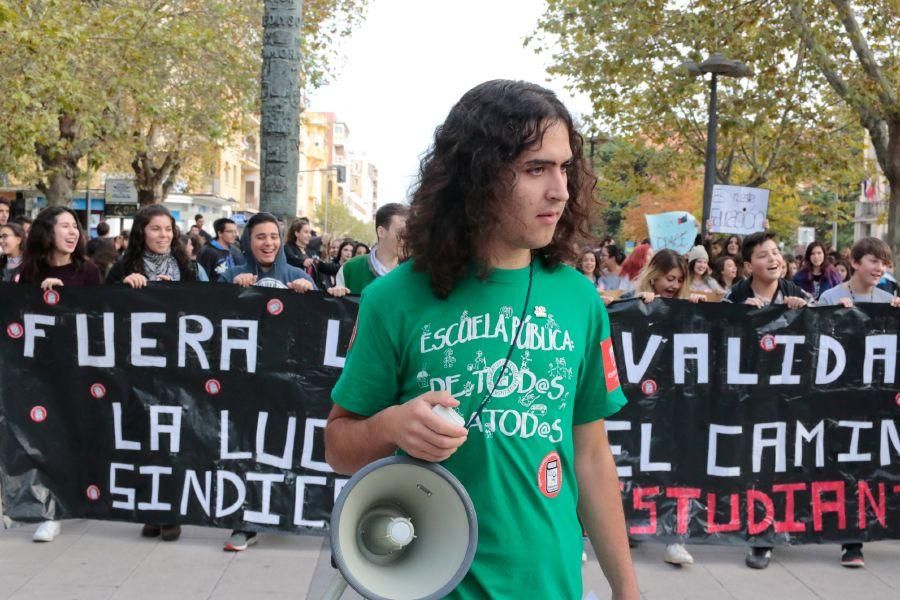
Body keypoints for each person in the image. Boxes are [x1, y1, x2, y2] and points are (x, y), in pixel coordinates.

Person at [324, 80, 639, 599]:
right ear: (478, 176)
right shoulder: (394, 299)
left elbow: (591, 457)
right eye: (536, 168)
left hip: (551, 585)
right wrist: (392, 425)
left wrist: (627, 591)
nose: (560, 189)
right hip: (425, 584)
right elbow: (339, 447)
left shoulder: (580, 300)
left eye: (564, 168)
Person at [218, 212, 347, 552]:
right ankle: (245, 523)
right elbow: (208, 319)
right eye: (260, 237)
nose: (268, 243)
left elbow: (323, 321)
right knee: (246, 447)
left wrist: (319, 294)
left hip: (287, 381)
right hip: (245, 383)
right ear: (248, 242)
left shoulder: (295, 275)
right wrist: (229, 293)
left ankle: (283, 512)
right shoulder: (231, 276)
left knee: (281, 447)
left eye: (273, 236)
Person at [723, 231, 808, 569]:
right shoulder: (735, 297)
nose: (773, 259)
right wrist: (737, 318)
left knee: (782, 462)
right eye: (763, 255)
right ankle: (761, 534)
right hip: (749, 399)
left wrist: (805, 311)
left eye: (776, 252)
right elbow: (715, 340)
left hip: (789, 398)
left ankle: (774, 528)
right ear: (747, 265)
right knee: (758, 464)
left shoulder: (797, 294)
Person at [19, 207, 100, 542]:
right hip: (39, 371)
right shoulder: (28, 272)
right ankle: (50, 510)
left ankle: (75, 497)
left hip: (79, 369)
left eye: (75, 227)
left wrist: (63, 300)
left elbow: (99, 317)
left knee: (74, 438)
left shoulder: (88, 270)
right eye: (64, 226)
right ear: (46, 232)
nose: (73, 233)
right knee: (44, 440)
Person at [818, 237, 900, 567]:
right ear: (855, 263)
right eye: (873, 261)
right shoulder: (830, 296)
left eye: (884, 263)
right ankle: (850, 541)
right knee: (847, 467)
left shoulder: (888, 298)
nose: (880, 268)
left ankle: (864, 532)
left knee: (873, 466)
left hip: (877, 399)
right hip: (841, 398)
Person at [106, 205, 207, 287]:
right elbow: (105, 304)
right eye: (155, 229)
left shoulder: (188, 267)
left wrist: (176, 291)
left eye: (168, 229)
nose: (164, 235)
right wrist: (122, 287)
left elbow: (200, 303)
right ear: (141, 232)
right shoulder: (123, 266)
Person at [336, 203, 409, 295]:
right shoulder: (350, 269)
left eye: (409, 233)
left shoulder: (411, 275)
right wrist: (336, 294)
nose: (406, 238)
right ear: (381, 232)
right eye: (401, 232)